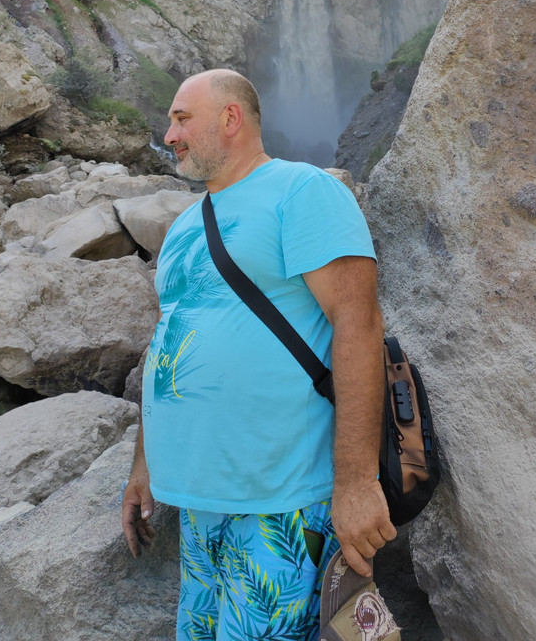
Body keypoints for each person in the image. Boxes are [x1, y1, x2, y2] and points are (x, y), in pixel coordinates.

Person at [122, 68, 396, 641]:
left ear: (231, 118)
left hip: (282, 499)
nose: (169, 136)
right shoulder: (184, 226)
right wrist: (144, 466)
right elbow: (166, 341)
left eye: (181, 119)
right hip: (199, 500)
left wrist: (356, 483)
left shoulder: (303, 190)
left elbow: (358, 324)